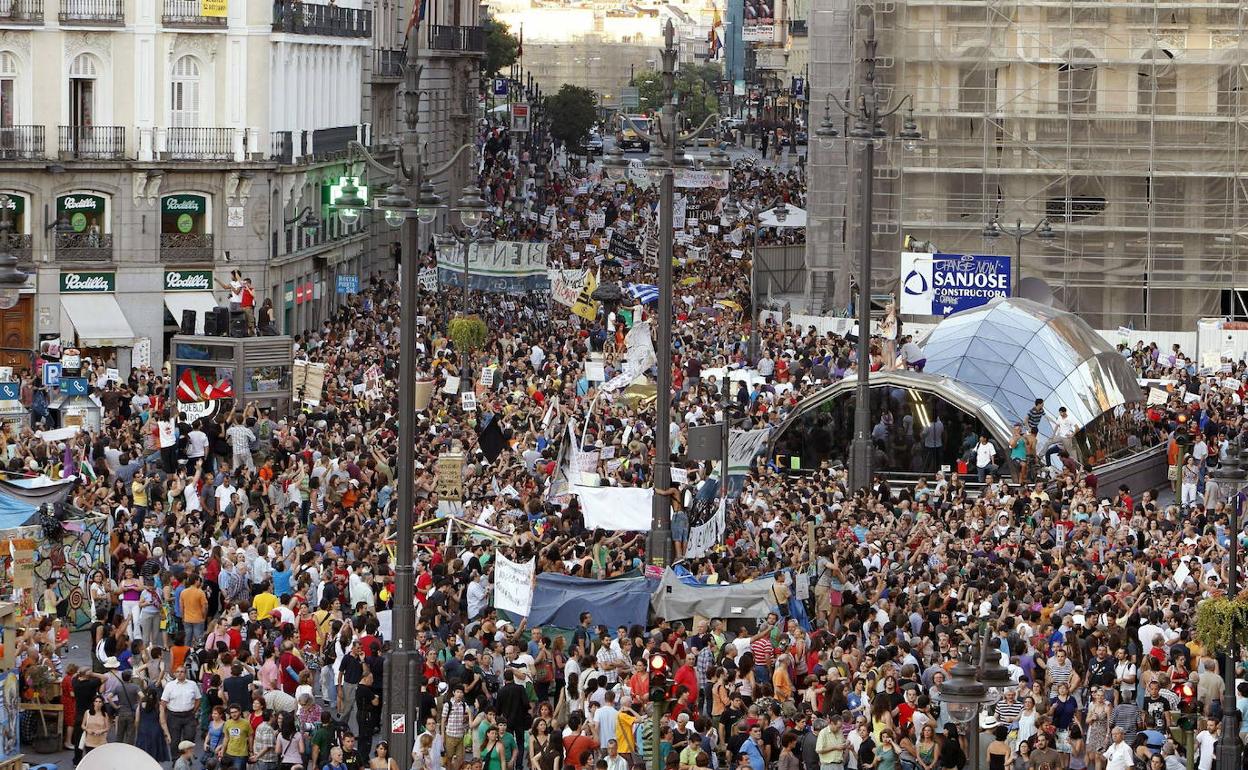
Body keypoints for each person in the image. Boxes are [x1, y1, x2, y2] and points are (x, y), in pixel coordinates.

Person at [137, 686, 172, 762]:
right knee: (155, 755)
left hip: (143, 731)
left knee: (144, 754)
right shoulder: (159, 706)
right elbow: (162, 722)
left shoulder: (140, 705)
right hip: (155, 732)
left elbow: (137, 720)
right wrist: (167, 734)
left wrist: (138, 729)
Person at [79, 694, 111, 759]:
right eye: (96, 701)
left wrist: (101, 731)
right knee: (89, 759)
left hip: (101, 742)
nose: (98, 703)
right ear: (93, 703)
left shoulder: (105, 714)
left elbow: (108, 728)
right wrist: (87, 730)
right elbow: (82, 725)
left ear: (102, 703)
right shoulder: (87, 713)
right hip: (89, 741)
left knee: (99, 760)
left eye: (100, 702)